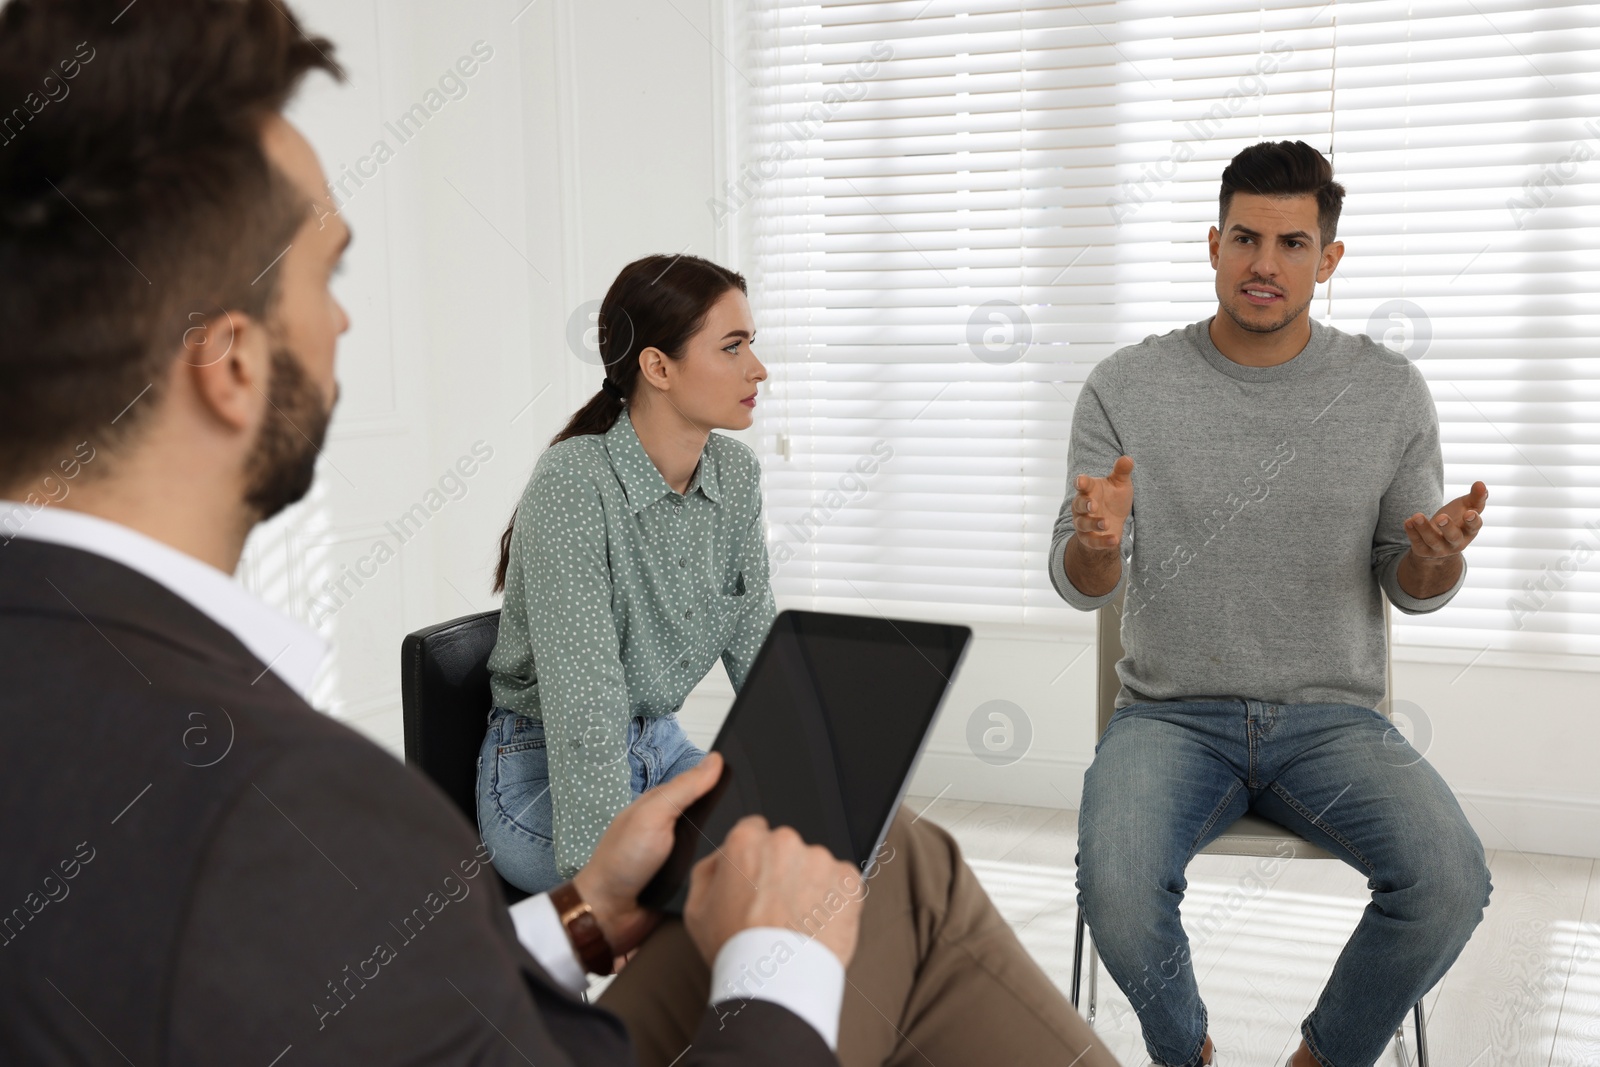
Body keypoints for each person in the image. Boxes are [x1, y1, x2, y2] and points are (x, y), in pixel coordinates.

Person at [0, 2, 1122, 1064]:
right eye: (324, 274)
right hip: (555, 774)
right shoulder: (292, 809)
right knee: (873, 882)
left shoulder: (127, 736)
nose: (343, 317)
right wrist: (771, 961)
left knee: (887, 848)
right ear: (233, 361)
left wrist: (586, 914)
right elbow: (582, 727)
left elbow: (355, 1016)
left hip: (625, 794)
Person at [1050, 140, 1493, 1067]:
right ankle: (1189, 1054)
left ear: (1327, 260)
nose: (1264, 263)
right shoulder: (1125, 386)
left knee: (1450, 879)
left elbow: (1410, 587)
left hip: (1332, 721)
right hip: (1170, 717)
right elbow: (1081, 578)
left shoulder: (1388, 391)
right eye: (1245, 238)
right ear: (1213, 244)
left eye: (1292, 244)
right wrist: (1096, 546)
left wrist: (1432, 561)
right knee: (1119, 887)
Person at [479, 253, 775, 894]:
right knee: (702, 889)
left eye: (752, 343)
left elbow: (764, 655)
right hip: (543, 770)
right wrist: (607, 876)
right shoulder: (574, 482)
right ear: (658, 366)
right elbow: (586, 704)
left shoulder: (736, 474)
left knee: (811, 863)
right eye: (732, 347)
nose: (758, 369)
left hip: (661, 749)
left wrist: (815, 801)